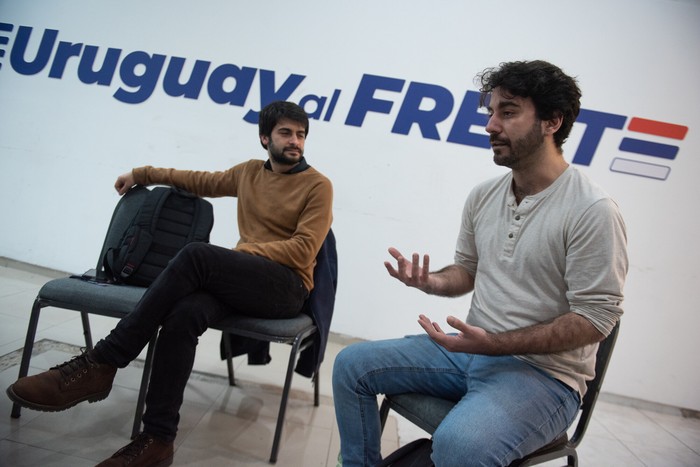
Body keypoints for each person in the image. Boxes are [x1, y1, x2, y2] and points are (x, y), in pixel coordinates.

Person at [332, 60, 628, 467]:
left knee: (459, 445)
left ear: (551, 121)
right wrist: (431, 282)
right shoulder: (484, 195)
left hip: (544, 379)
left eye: (507, 112)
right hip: (472, 353)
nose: (491, 125)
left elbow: (596, 320)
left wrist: (495, 344)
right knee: (350, 365)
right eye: (491, 112)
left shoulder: (592, 210)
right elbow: (466, 271)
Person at [7, 101, 333, 467]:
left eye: (301, 134)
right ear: (264, 138)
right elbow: (196, 180)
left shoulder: (318, 186)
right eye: (286, 133)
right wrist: (142, 174)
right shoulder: (248, 174)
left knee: (197, 255)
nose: (295, 142)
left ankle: (104, 360)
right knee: (185, 313)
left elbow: (304, 250)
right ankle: (157, 441)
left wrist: (242, 253)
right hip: (247, 278)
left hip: (286, 288)